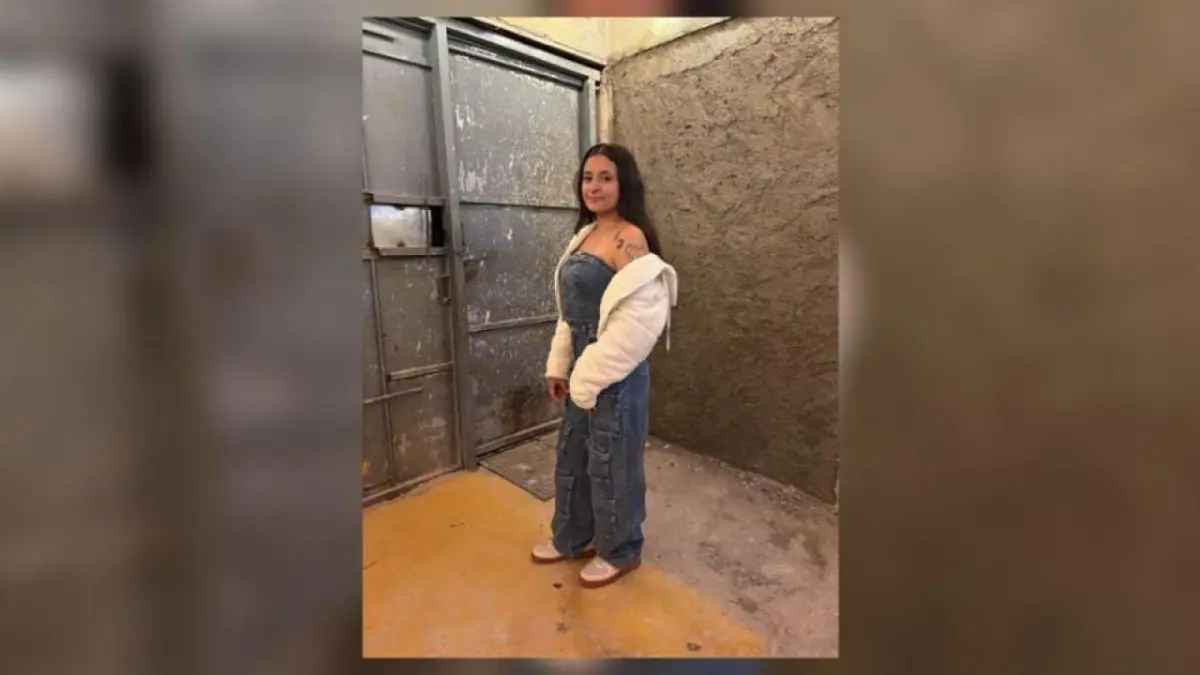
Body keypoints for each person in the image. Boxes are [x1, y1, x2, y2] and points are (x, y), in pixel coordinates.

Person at [530, 143, 678, 589]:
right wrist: (560, 365)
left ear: (624, 183)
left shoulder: (630, 239)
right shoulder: (585, 235)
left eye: (605, 177)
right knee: (572, 454)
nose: (593, 187)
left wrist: (590, 380)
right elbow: (571, 310)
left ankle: (620, 550)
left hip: (615, 373)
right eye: (587, 177)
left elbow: (639, 323)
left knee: (612, 462)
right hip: (583, 372)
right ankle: (573, 537)